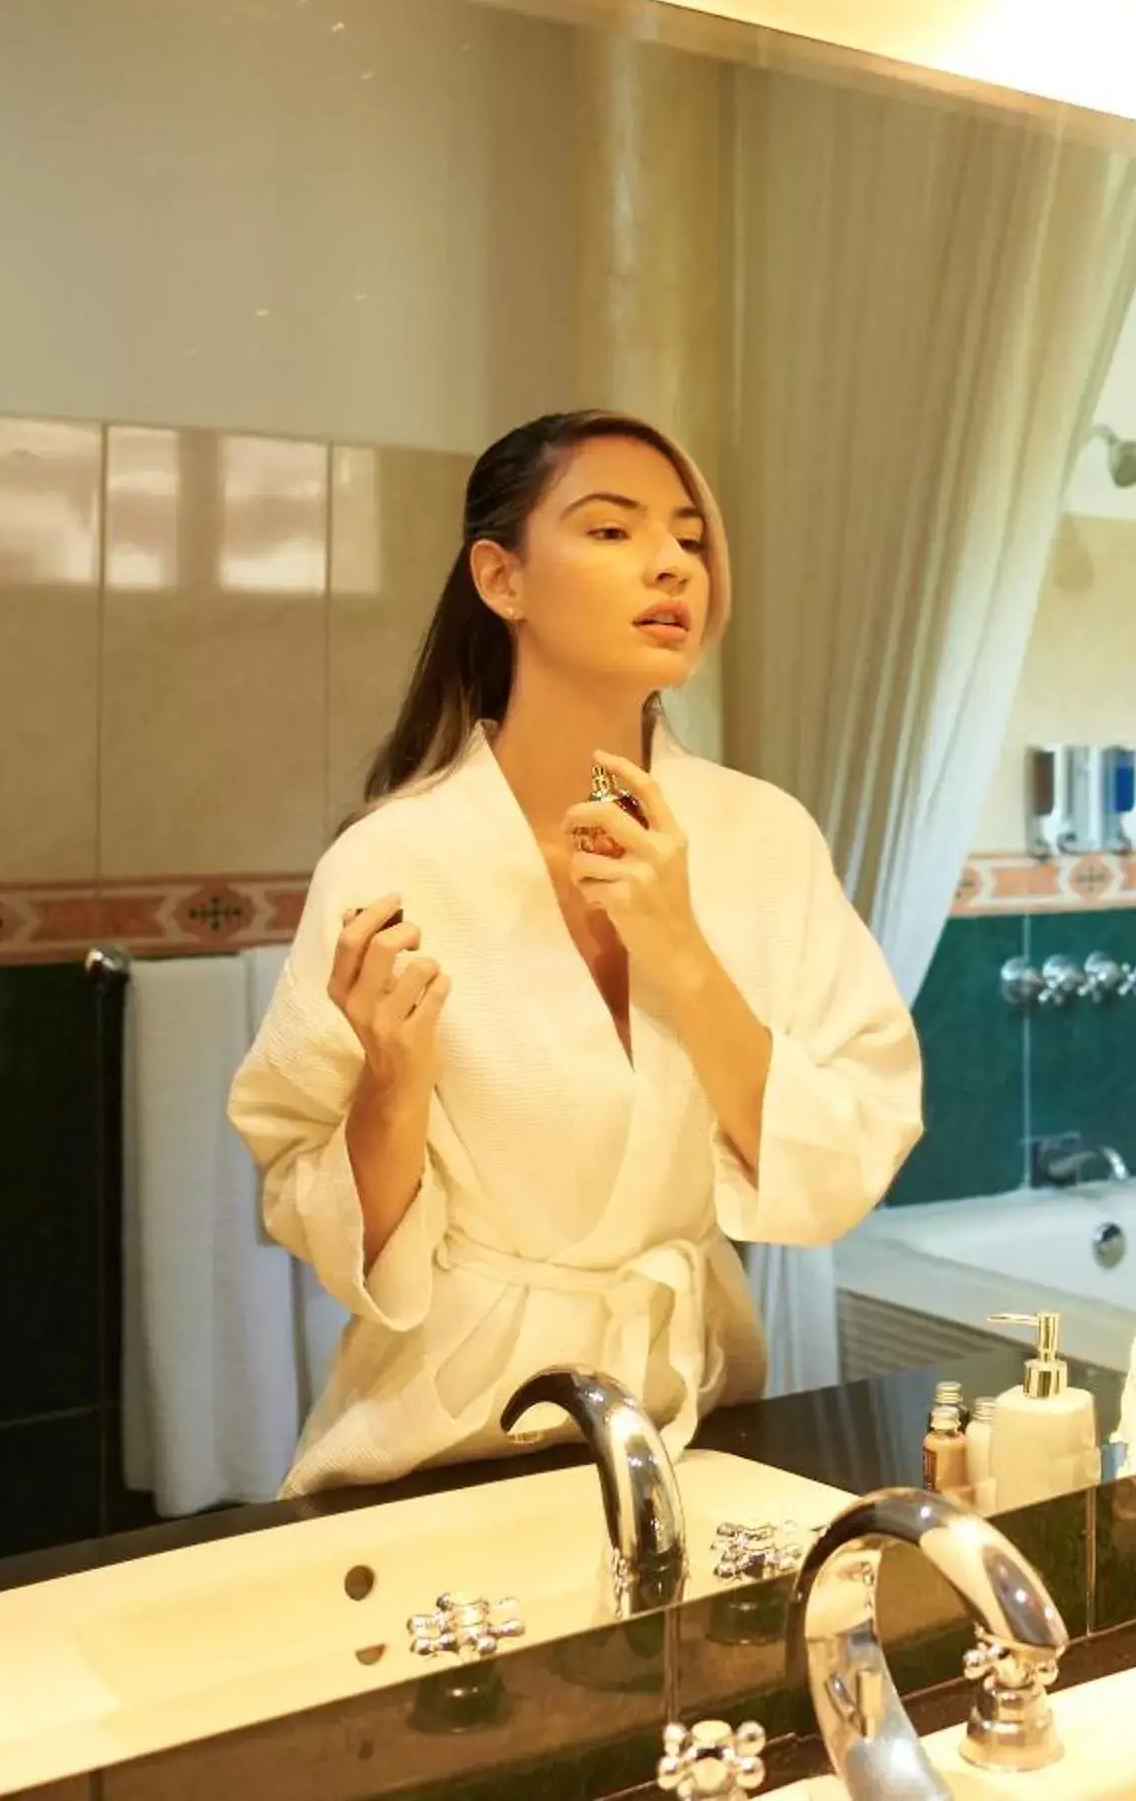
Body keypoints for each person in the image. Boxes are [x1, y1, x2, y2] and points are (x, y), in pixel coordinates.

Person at [232, 409, 922, 1496]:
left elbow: (850, 1151)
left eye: (690, 540)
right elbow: (305, 1198)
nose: (670, 565)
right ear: (501, 579)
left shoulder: (762, 838)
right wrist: (393, 1090)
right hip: (441, 1439)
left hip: (692, 1420)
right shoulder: (395, 862)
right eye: (611, 532)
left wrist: (682, 953)